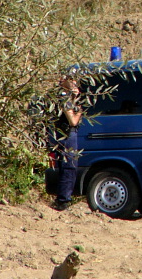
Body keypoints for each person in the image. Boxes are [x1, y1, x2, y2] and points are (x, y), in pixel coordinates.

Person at [50, 72, 84, 211]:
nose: (74, 82)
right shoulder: (63, 98)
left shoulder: (68, 97)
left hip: (67, 134)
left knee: (69, 167)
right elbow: (73, 121)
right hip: (67, 134)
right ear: (63, 81)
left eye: (75, 80)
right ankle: (63, 200)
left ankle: (63, 198)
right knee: (69, 166)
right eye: (71, 79)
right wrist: (80, 108)